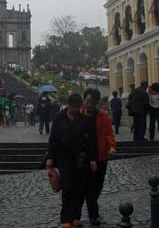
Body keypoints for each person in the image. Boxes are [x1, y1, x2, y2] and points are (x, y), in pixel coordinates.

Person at [46, 94, 98, 228]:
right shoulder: (59, 118)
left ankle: (76, 216)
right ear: (68, 105)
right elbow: (53, 139)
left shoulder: (85, 120)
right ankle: (66, 219)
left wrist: (92, 159)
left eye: (79, 106)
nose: (77, 109)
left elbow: (91, 141)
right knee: (67, 187)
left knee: (79, 188)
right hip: (64, 157)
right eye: (75, 107)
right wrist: (50, 158)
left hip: (81, 157)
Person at [83, 88, 116, 226]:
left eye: (92, 102)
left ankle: (92, 205)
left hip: (101, 156)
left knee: (98, 186)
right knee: (89, 186)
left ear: (96, 103)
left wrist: (112, 147)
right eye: (87, 101)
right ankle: (93, 215)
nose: (89, 105)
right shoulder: (79, 116)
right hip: (85, 157)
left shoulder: (103, 116)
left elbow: (109, 133)